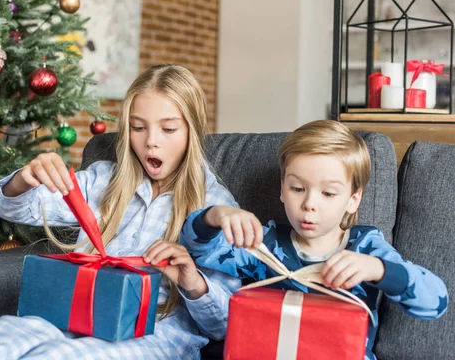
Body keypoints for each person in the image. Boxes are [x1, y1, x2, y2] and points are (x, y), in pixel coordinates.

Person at [0, 64, 241, 360]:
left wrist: (192, 281)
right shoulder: (102, 180)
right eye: (138, 128)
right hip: (75, 313)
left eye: (168, 129)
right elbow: (15, 208)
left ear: (192, 131)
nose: (150, 142)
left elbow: (222, 326)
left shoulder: (216, 209)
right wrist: (25, 179)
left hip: (156, 332)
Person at [180, 120, 448, 360]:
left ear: (353, 200)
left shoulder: (365, 246)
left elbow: (435, 301)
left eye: (329, 193)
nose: (309, 204)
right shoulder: (265, 244)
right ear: (282, 189)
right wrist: (214, 216)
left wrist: (378, 269)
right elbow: (199, 250)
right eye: (298, 188)